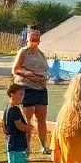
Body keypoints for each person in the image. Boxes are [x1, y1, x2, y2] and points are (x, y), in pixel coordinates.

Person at [12, 25, 51, 154]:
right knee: (27, 120)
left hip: (41, 89)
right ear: (27, 39)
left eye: (36, 39)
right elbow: (15, 69)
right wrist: (31, 76)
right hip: (27, 88)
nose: (33, 41)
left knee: (41, 119)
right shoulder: (23, 52)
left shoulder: (41, 54)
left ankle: (43, 145)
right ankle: (26, 146)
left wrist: (44, 78)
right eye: (31, 39)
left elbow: (45, 70)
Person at [2, 83, 32, 163]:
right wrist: (29, 127)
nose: (22, 96)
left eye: (23, 94)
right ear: (11, 94)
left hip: (13, 142)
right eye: (20, 94)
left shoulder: (8, 108)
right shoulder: (14, 110)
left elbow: (4, 127)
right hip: (17, 144)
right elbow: (19, 125)